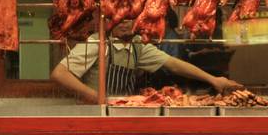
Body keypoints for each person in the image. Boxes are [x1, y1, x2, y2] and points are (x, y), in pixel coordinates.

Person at [50, 19, 241, 102]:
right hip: (94, 116)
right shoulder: (96, 43)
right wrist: (96, 97)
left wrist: (214, 80)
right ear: (109, 20)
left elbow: (174, 64)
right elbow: (60, 74)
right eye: (120, 19)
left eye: (130, 19)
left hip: (123, 114)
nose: (125, 23)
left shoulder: (137, 46)